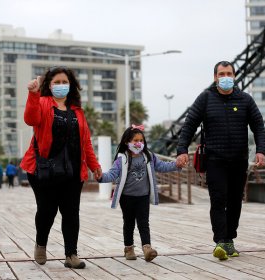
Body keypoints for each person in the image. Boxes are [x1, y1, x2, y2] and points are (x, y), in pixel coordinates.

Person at [176, 61, 265, 261]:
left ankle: (229, 239)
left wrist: (261, 150)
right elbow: (189, 124)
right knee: (218, 200)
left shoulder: (245, 100)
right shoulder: (205, 99)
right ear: (215, 77)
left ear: (234, 76)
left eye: (229, 73)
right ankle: (220, 241)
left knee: (235, 201)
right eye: (221, 74)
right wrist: (182, 150)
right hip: (215, 159)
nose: (225, 77)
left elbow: (258, 126)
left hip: (239, 160)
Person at [20, 66, 102, 269]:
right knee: (47, 210)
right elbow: (30, 119)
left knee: (71, 212)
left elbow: (86, 142)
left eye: (64, 82)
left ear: (71, 85)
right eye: (56, 82)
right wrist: (32, 94)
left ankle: (71, 254)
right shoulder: (42, 102)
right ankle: (41, 244)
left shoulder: (77, 111)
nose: (61, 85)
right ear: (49, 85)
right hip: (44, 169)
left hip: (72, 171)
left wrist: (94, 165)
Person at [98, 125, 181, 262]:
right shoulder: (122, 159)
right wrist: (101, 177)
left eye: (141, 140)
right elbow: (112, 174)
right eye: (135, 140)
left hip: (143, 196)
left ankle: (147, 248)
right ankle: (129, 248)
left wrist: (176, 165)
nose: (138, 143)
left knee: (143, 222)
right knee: (129, 223)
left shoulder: (148, 156)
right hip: (126, 197)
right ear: (127, 142)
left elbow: (162, 166)